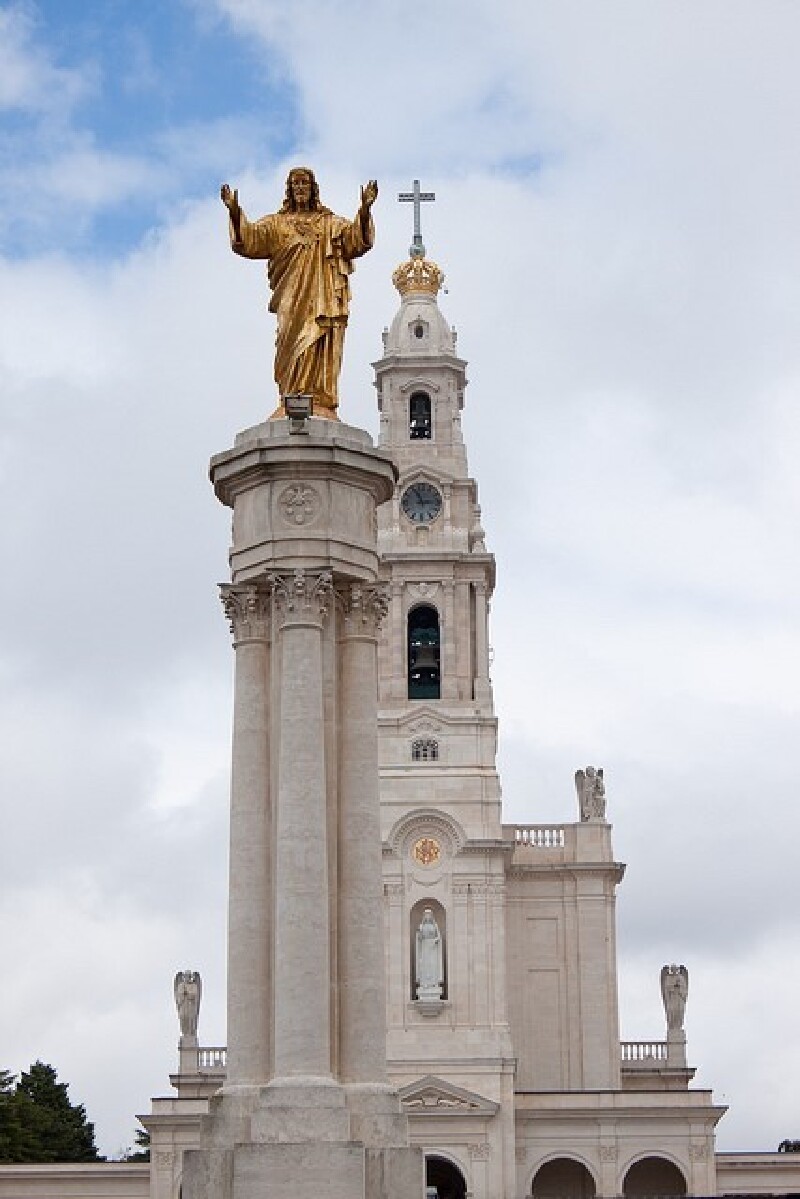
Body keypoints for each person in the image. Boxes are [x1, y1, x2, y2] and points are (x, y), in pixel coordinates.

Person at [220, 167, 378, 418]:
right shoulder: (277, 224)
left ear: (313, 188)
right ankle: (290, 395)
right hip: (290, 299)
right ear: (290, 190)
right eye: (296, 184)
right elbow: (250, 240)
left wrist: (365, 209)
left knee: (319, 339)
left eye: (305, 184)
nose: (300, 188)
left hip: (322, 296)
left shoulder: (329, 223)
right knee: (289, 342)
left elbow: (354, 240)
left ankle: (319, 398)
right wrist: (235, 212)